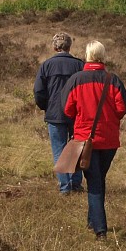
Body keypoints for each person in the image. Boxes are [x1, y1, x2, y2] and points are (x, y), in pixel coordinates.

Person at [61, 41, 126, 239]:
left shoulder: (76, 80)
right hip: (109, 140)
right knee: (98, 179)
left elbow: (67, 109)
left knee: (94, 182)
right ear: (103, 55)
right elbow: (122, 108)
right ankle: (92, 221)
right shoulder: (113, 79)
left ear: (87, 55)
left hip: (85, 140)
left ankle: (100, 229)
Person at [33, 32, 85, 193]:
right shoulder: (79, 65)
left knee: (59, 150)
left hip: (55, 114)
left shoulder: (46, 65)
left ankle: (65, 186)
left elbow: (38, 91)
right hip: (76, 114)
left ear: (54, 47)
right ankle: (76, 184)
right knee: (76, 148)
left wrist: (46, 107)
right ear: (69, 46)